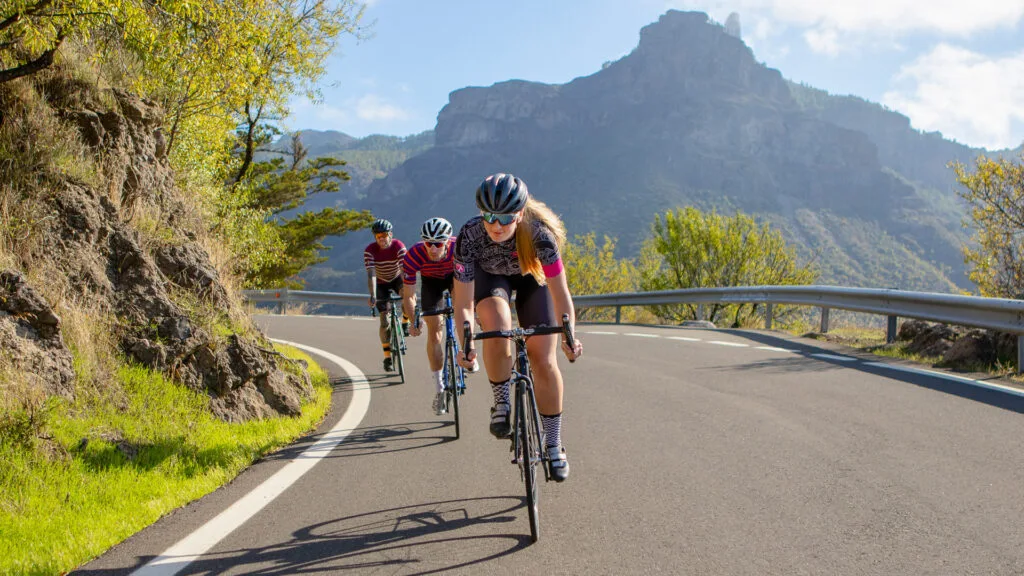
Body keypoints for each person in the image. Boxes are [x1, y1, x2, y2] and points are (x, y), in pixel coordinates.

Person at [453, 173, 583, 482]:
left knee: (544, 359)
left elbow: (560, 294)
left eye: (505, 217)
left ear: (520, 213)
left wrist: (569, 337)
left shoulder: (540, 236)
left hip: (531, 279)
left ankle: (554, 444)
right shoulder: (469, 236)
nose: (496, 225)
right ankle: (501, 401)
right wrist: (465, 345)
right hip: (490, 279)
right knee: (497, 325)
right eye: (489, 216)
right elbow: (464, 303)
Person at [401, 217, 457, 415]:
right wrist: (413, 321)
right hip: (430, 283)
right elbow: (409, 295)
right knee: (434, 333)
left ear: (447, 242)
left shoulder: (458, 248)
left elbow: (472, 284)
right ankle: (440, 388)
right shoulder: (414, 254)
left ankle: (466, 350)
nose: (433, 249)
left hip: (455, 277)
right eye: (428, 243)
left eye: (438, 244)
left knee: (461, 308)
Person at [364, 218, 409, 372]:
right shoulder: (370, 250)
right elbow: (371, 274)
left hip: (397, 278)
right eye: (378, 236)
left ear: (390, 234)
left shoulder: (399, 246)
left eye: (384, 235)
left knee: (407, 295)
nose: (381, 239)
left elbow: (404, 270)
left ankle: (405, 321)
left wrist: (407, 292)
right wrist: (373, 295)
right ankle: (387, 357)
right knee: (384, 321)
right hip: (381, 283)